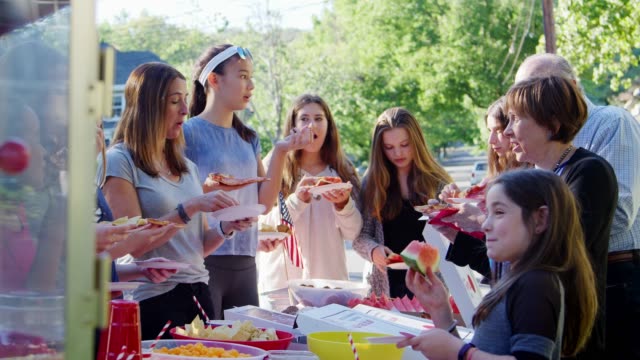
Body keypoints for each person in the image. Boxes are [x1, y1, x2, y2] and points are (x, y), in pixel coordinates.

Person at [445, 76, 618, 359]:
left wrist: (481, 220)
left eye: (515, 120)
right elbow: (513, 265)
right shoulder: (538, 178)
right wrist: (457, 235)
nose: (508, 132)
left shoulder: (589, 172)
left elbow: (552, 253)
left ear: (551, 123)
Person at [99, 62, 250, 340]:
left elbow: (196, 248)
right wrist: (188, 209)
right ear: (147, 107)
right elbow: (125, 244)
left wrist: (226, 227)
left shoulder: (187, 167)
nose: (184, 109)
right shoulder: (120, 162)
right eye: (174, 101)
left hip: (200, 296)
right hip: (156, 302)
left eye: (185, 100)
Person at [514, 53, 640, 359]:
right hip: (575, 278)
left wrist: (530, 226)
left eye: (538, 88)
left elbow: (619, 214)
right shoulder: (544, 150)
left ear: (569, 87)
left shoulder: (611, 121)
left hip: (615, 274)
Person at [398, 169, 598, 360]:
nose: (485, 225)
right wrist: (440, 311)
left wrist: (460, 352)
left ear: (540, 219)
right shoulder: (519, 278)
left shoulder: (536, 283)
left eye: (499, 212)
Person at [183, 44, 312, 319]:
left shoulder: (249, 137)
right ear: (214, 80)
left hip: (246, 261)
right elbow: (179, 196)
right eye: (242, 76)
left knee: (245, 343)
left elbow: (264, 203)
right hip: (204, 259)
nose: (250, 85)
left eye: (251, 77)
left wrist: (280, 151)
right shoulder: (187, 133)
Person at [255, 94, 363, 293]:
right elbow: (262, 226)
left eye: (319, 119)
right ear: (293, 125)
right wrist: (297, 201)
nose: (311, 125)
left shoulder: (342, 169)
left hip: (330, 286)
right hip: (281, 288)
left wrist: (342, 205)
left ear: (328, 126)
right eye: (304, 119)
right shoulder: (274, 163)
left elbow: (353, 234)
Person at [353, 107, 452, 297]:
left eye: (405, 144)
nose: (397, 153)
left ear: (417, 142)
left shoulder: (436, 181)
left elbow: (453, 238)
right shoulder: (372, 183)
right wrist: (373, 250)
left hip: (431, 286)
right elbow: (360, 236)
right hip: (387, 287)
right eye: (389, 147)